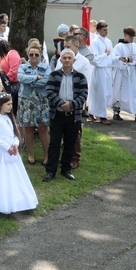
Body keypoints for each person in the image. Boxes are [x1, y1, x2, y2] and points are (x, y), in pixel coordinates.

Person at [0, 94, 39, 213]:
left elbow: (14, 134)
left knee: (15, 175)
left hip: (12, 150)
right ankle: (0, 202)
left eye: (11, 104)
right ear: (0, 105)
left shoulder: (9, 118)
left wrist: (15, 144)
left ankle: (19, 200)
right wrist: (6, 147)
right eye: (8, 104)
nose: (11, 106)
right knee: (0, 175)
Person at [45, 49, 88, 182]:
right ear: (60, 60)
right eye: (64, 58)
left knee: (70, 143)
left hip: (73, 115)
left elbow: (84, 94)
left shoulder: (80, 77)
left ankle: (66, 169)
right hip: (57, 114)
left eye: (70, 58)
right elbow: (49, 91)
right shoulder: (53, 75)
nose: (67, 60)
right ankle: (51, 171)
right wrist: (61, 103)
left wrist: (71, 105)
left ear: (74, 61)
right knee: (54, 143)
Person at [17, 44, 51, 165]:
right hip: (26, 100)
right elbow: (21, 78)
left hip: (41, 100)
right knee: (28, 127)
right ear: (28, 55)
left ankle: (47, 155)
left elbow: (46, 80)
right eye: (31, 54)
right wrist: (36, 77)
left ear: (41, 55)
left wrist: (30, 81)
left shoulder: (46, 67)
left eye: (36, 54)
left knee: (43, 128)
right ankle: (31, 154)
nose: (34, 56)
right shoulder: (22, 66)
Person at [110, 27, 136, 123]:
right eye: (130, 36)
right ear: (125, 35)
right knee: (121, 92)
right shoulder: (119, 46)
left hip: (133, 73)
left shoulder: (134, 46)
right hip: (123, 73)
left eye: (133, 37)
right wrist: (125, 60)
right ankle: (116, 112)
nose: (132, 39)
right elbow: (114, 58)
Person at [89, 22, 116, 124]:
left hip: (107, 70)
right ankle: (102, 116)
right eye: (104, 30)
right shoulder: (95, 42)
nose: (106, 32)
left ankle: (93, 110)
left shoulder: (108, 42)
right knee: (101, 93)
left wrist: (119, 58)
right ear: (98, 30)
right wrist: (105, 54)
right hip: (100, 70)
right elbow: (94, 59)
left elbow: (112, 56)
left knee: (107, 92)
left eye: (107, 30)